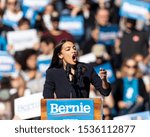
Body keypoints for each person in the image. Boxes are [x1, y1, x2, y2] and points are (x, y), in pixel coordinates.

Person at [43, 39, 111, 99]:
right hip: (62, 111)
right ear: (60, 55)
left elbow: (105, 92)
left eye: (74, 48)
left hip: (84, 111)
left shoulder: (87, 69)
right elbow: (47, 98)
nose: (73, 51)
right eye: (68, 49)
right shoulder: (52, 73)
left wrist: (104, 80)